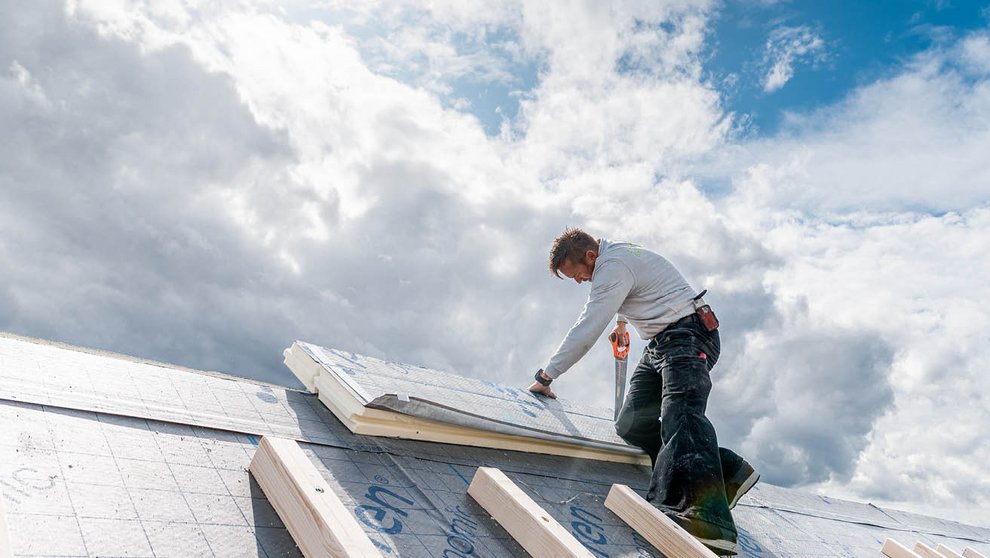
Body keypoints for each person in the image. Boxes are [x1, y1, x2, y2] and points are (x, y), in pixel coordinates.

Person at [527, 228, 759, 555]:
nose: (580, 281)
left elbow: (589, 325)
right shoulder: (617, 258)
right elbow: (637, 292)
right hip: (662, 343)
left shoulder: (612, 266)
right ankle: (728, 470)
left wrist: (547, 375)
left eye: (577, 274)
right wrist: (623, 324)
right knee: (632, 422)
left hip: (687, 336)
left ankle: (709, 523)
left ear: (591, 257)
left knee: (681, 415)